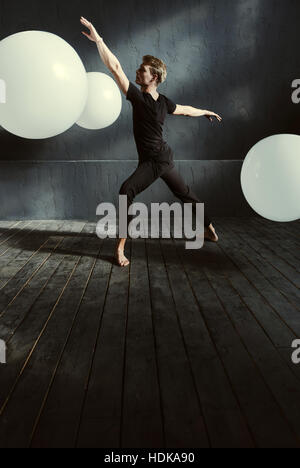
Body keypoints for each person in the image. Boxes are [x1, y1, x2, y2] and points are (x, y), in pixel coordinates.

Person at [80, 16, 222, 267]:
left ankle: (120, 248)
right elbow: (186, 109)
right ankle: (210, 231)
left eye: (142, 70)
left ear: (154, 76)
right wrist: (205, 111)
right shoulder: (158, 100)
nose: (136, 71)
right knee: (186, 194)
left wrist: (98, 39)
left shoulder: (140, 97)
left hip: (157, 160)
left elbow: (114, 67)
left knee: (126, 190)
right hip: (162, 158)